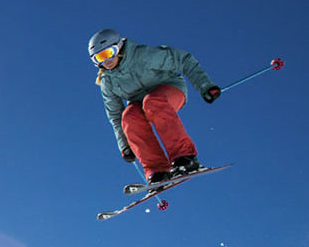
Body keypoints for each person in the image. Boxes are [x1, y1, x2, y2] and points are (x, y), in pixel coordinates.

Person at [90, 29, 221, 183]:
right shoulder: (107, 81)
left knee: (153, 102)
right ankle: (157, 171)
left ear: (118, 47)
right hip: (141, 104)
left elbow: (183, 59)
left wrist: (205, 86)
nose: (106, 60)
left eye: (109, 53)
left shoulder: (142, 56)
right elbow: (115, 114)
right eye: (100, 57)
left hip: (170, 89)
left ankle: (185, 158)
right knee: (129, 117)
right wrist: (124, 145)